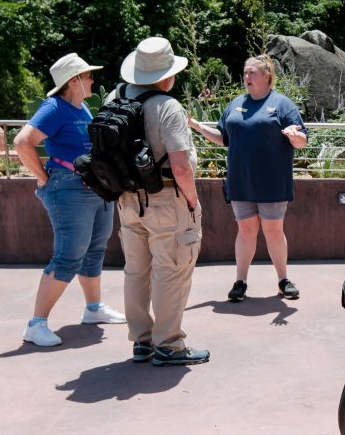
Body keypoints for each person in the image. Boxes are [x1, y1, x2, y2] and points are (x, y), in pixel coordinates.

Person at [14, 53, 126, 347]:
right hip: (69, 187)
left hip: (93, 187)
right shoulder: (54, 107)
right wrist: (43, 177)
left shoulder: (82, 109)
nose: (93, 80)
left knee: (95, 248)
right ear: (74, 80)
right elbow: (22, 142)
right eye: (88, 76)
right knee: (69, 255)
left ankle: (93, 308)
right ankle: (36, 324)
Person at [110, 37, 208, 366]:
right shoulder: (168, 106)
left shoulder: (115, 97)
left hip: (126, 199)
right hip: (167, 199)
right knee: (172, 271)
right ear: (168, 75)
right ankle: (169, 345)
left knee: (136, 271)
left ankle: (142, 341)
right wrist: (192, 202)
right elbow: (180, 165)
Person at [188, 54, 308, 302]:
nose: (246, 77)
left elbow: (302, 139)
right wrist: (198, 127)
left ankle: (283, 280)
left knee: (273, 231)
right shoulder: (236, 103)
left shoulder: (282, 104)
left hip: (272, 182)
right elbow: (224, 138)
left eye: (251, 72)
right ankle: (240, 281)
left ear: (266, 75)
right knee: (245, 231)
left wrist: (293, 136)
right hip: (241, 181)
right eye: (245, 72)